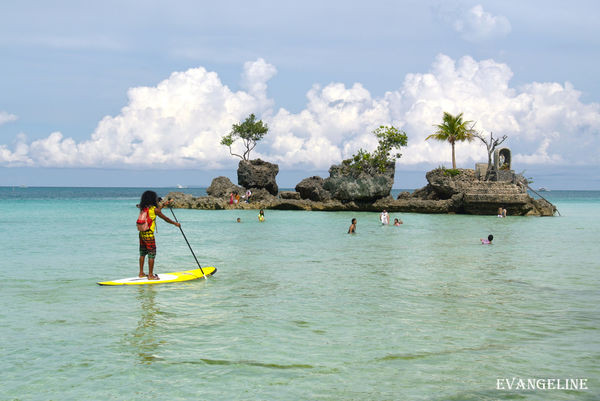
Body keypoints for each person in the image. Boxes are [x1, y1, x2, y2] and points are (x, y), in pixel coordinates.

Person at [137, 191, 181, 280]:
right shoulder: (154, 209)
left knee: (142, 253)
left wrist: (164, 204)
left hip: (141, 233)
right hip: (149, 235)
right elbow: (166, 218)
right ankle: (150, 275)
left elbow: (157, 211)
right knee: (152, 254)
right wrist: (175, 223)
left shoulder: (143, 208)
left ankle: (141, 273)